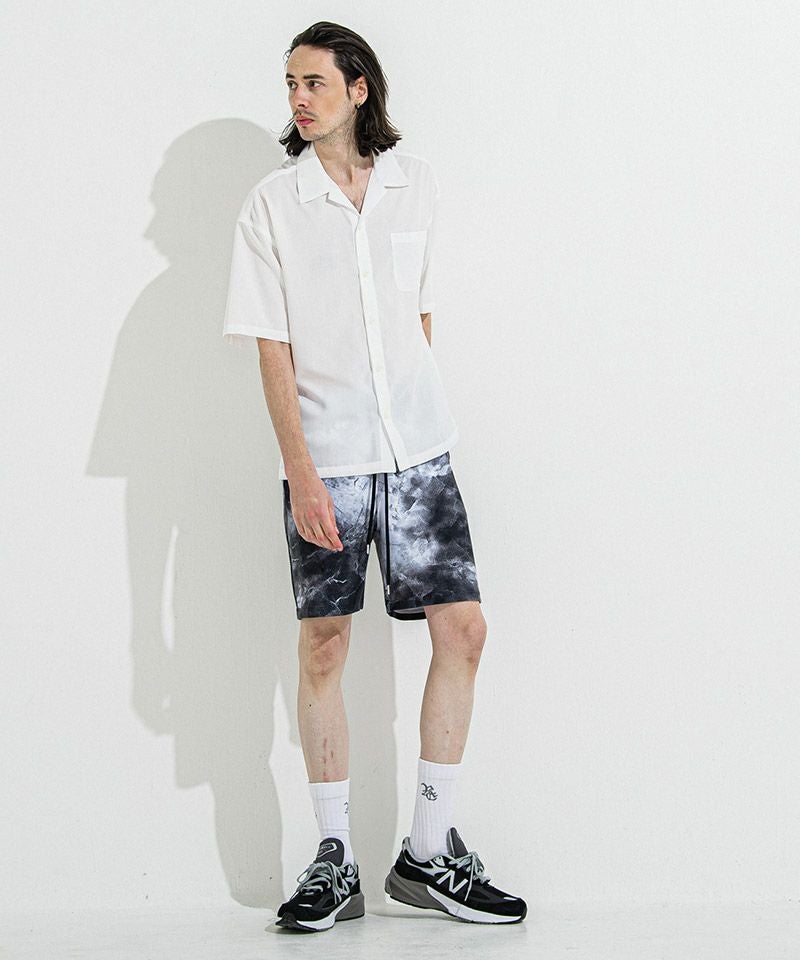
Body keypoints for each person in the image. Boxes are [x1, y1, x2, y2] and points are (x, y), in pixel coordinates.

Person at [222, 21, 527, 932]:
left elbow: (418, 318)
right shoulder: (271, 207)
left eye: (313, 82)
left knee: (463, 630)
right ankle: (334, 858)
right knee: (324, 644)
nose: (297, 98)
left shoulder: (413, 185)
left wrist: (410, 421)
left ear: (359, 88)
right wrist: (302, 473)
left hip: (419, 453)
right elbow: (271, 351)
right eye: (289, 83)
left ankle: (429, 851)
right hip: (329, 461)